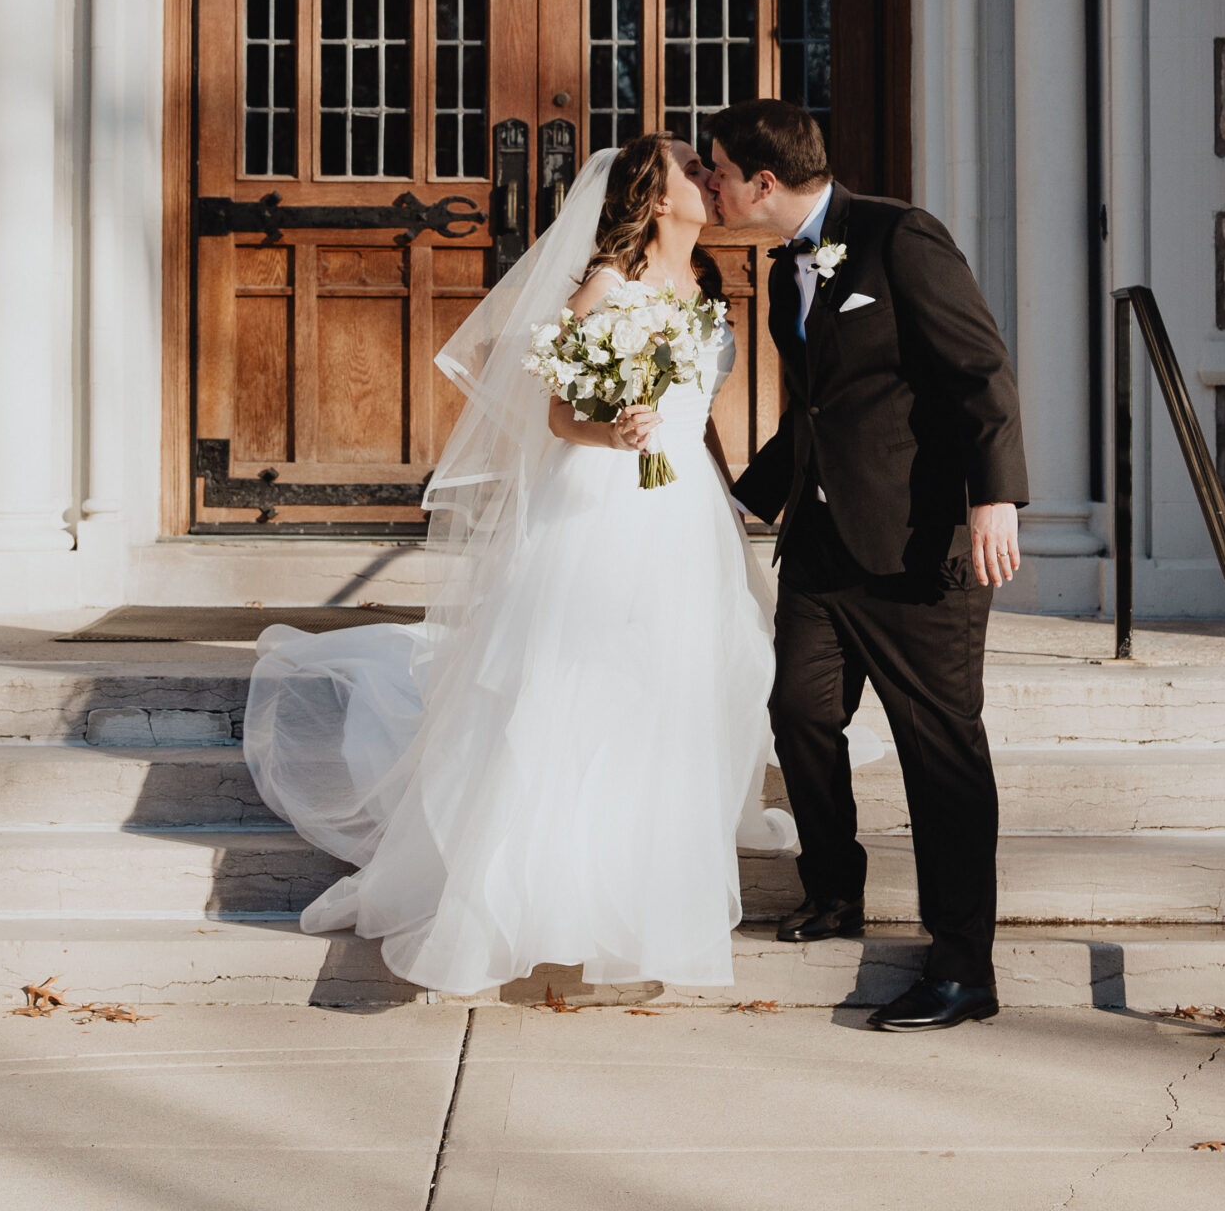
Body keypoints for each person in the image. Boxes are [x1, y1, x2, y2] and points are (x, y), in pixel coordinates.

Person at [243, 134, 877, 997]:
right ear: (654, 199)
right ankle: (547, 903)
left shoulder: (713, 287)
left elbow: (697, 414)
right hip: (600, 504)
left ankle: (642, 896)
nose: (708, 179)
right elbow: (555, 418)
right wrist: (611, 430)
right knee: (579, 690)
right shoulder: (604, 288)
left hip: (684, 508)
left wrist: (726, 496)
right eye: (691, 170)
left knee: (672, 691)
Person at [707, 98, 1029, 1034]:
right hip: (819, 546)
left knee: (942, 756)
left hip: (918, 549)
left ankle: (964, 967)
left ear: (763, 183)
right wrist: (737, 494)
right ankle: (833, 888)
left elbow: (980, 371)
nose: (712, 185)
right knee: (800, 712)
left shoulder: (899, 237)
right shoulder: (781, 273)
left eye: (719, 171)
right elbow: (819, 409)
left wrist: (993, 495)